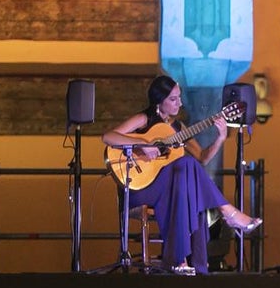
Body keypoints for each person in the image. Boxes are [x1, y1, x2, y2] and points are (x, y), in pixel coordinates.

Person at [102, 74, 261, 275]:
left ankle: (182, 260)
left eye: (180, 97)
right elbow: (108, 137)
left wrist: (220, 138)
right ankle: (228, 212)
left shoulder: (178, 128)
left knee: (187, 169)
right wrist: (143, 145)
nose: (180, 103)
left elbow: (202, 158)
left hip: (169, 191)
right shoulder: (145, 119)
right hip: (140, 187)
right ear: (160, 101)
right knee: (185, 166)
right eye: (173, 99)